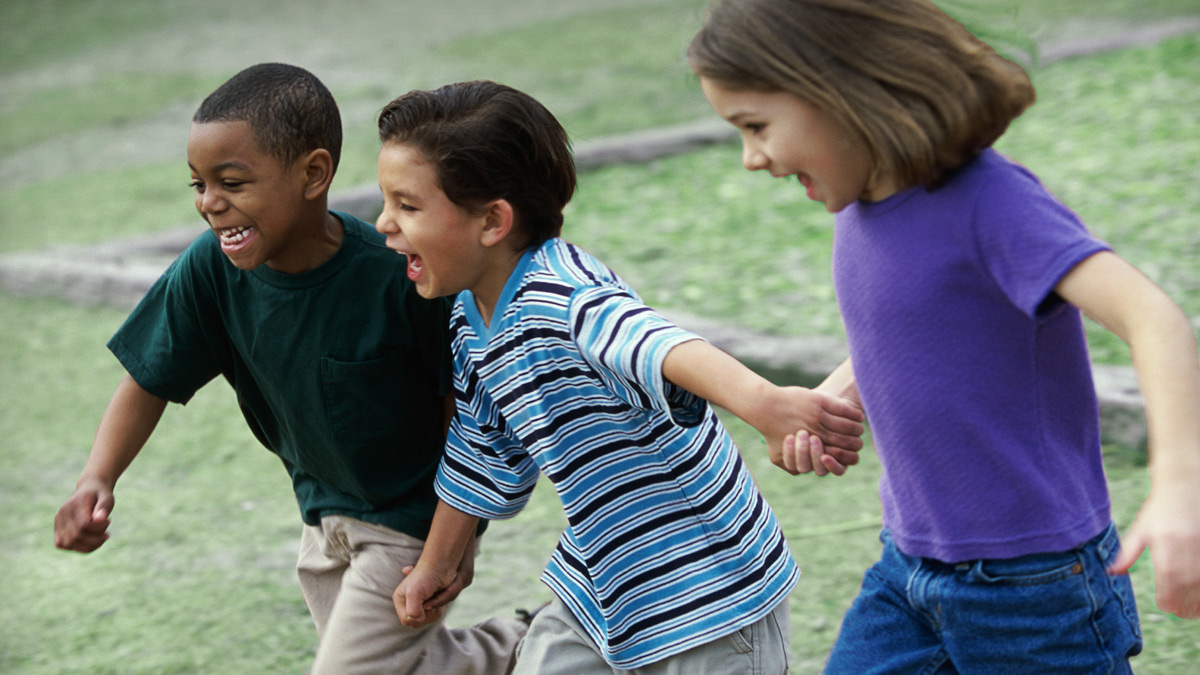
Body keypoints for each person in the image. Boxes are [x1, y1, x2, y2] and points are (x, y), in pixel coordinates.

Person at [688, 0, 1200, 672]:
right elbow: (913, 325)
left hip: (1034, 587)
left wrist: (1180, 487)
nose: (752, 158)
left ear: (840, 89)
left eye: (755, 126)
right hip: (908, 568)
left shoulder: (992, 201)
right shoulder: (860, 204)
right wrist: (840, 392)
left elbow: (1152, 316)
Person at [372, 79, 867, 673]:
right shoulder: (468, 318)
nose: (383, 224)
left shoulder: (562, 295)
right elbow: (481, 449)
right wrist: (439, 562)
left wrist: (765, 405)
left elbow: (655, 343)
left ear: (492, 221)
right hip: (604, 582)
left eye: (407, 205)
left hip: (708, 588)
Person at [52, 62, 528, 675]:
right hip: (321, 516)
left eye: (232, 182)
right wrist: (98, 477)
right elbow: (149, 378)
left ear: (313, 174)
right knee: (417, 667)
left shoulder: (398, 278)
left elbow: (463, 413)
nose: (210, 203)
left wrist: (454, 540)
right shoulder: (210, 270)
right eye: (197, 184)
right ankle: (519, 647)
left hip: (409, 522)